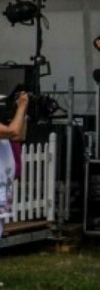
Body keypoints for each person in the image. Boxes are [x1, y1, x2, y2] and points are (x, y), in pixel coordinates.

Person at [0, 89, 28, 240]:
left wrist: (22, 112)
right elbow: (13, 131)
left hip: (3, 187)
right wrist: (21, 106)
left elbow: (19, 135)